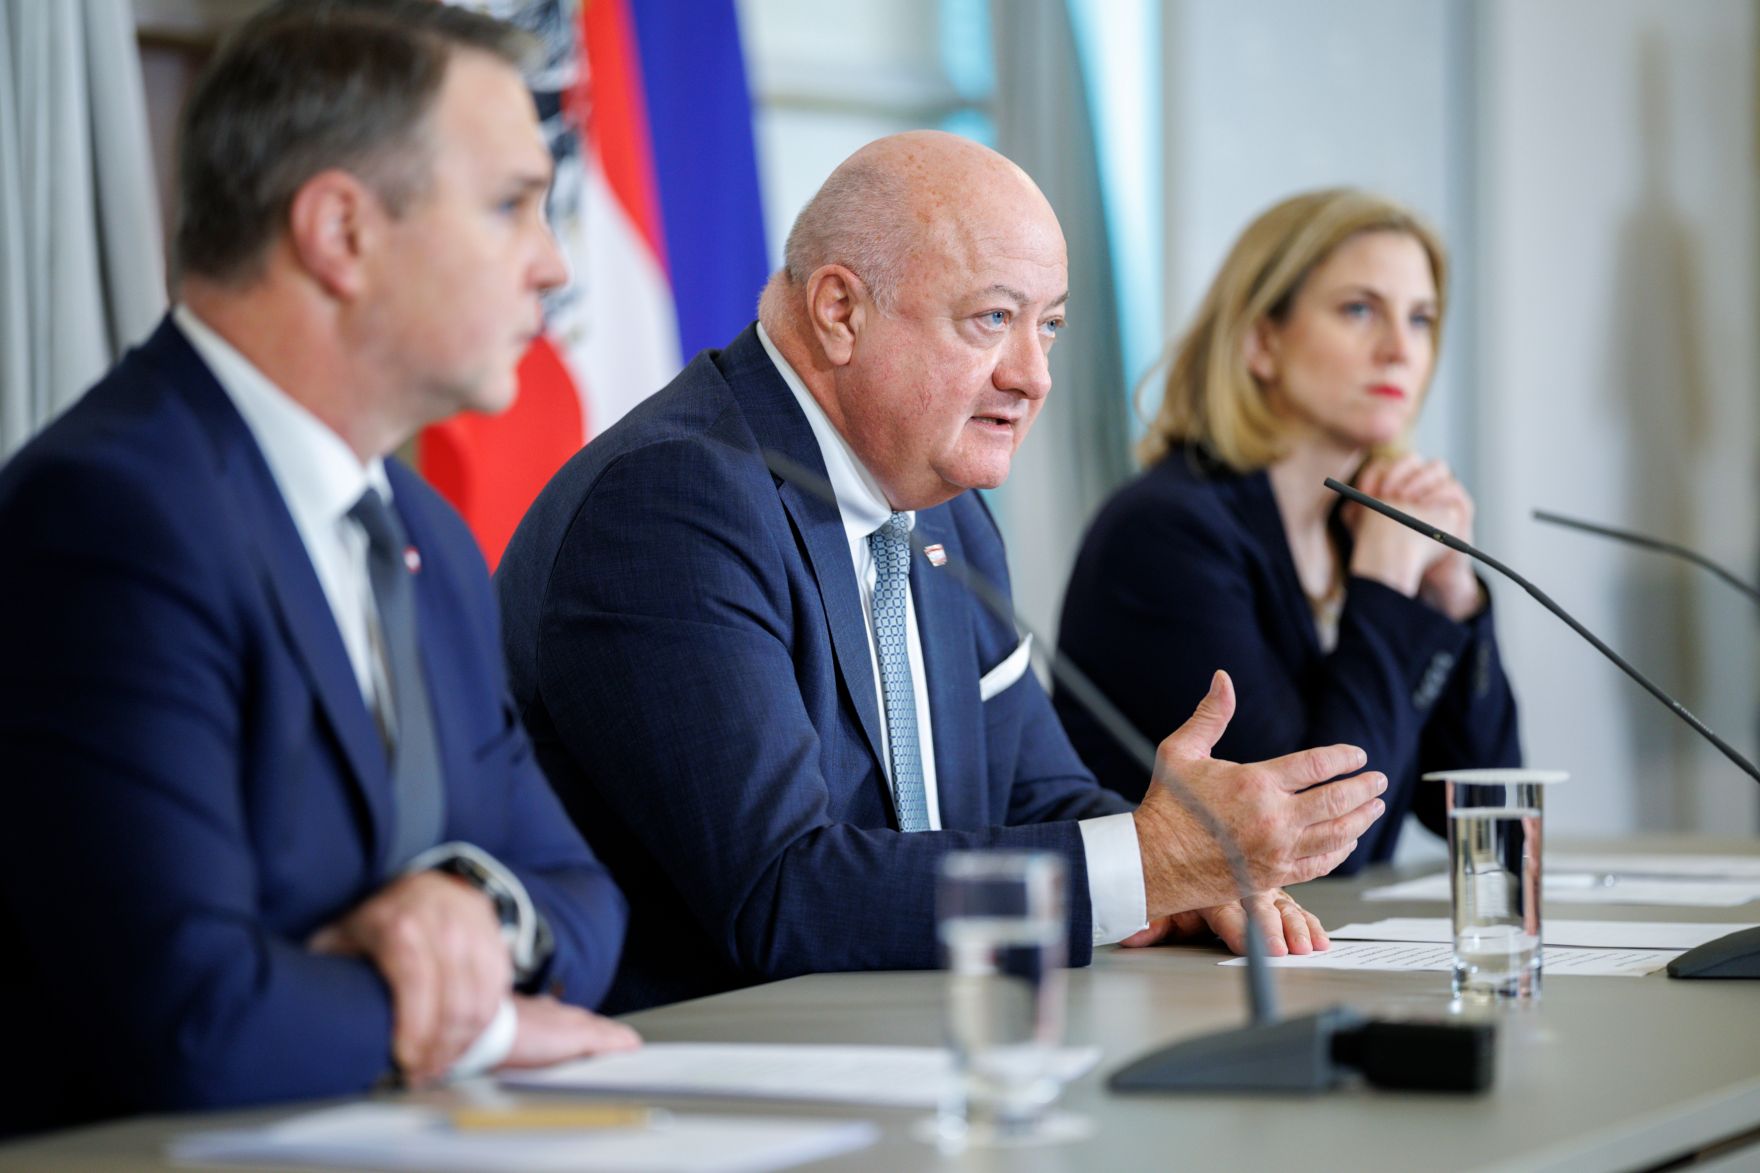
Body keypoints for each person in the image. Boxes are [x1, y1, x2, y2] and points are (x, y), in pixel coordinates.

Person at [495, 132, 1389, 1014]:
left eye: (1049, 326)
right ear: (840, 311)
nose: (1034, 376)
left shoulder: (943, 510)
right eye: (993, 319)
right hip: (693, 1073)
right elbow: (780, 891)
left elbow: (1035, 795)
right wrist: (1145, 864)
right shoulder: (674, 503)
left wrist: (1183, 876)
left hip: (913, 1041)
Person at [0, 0, 636, 1138]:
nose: (552, 265)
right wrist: (478, 1024)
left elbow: (580, 898)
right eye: (509, 206)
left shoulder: (427, 535)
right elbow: (191, 1017)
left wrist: (466, 910)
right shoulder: (108, 516)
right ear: (340, 232)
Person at [1057, 188, 1521, 872]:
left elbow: (1492, 827)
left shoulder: (1358, 527)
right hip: (1168, 939)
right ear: (1262, 342)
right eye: (1359, 310)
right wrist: (1385, 582)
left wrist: (1453, 598)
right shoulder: (1165, 533)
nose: (1400, 349)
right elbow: (1310, 845)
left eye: (1420, 319)